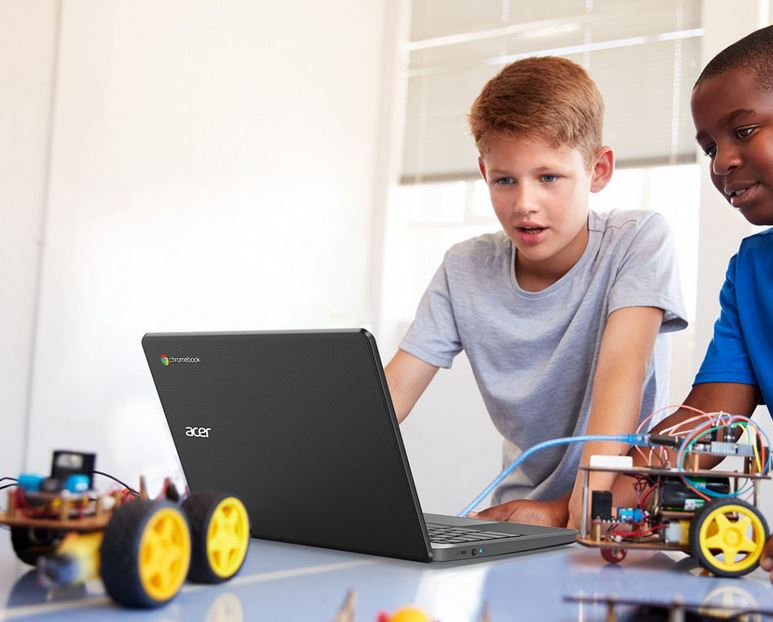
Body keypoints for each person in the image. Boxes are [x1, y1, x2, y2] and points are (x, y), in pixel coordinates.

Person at [384, 56, 687, 530]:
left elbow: (621, 369)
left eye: (548, 178)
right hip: (518, 519)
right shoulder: (464, 267)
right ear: (484, 172)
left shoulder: (638, 239)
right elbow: (395, 391)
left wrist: (583, 506)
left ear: (599, 169)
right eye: (505, 179)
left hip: (614, 514)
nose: (525, 204)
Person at [609, 24, 773, 582]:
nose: (721, 163)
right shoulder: (750, 274)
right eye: (709, 148)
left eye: (743, 131)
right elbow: (704, 425)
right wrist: (586, 512)